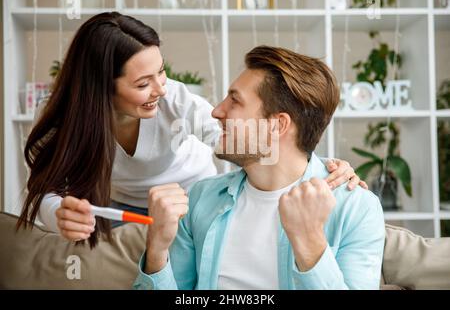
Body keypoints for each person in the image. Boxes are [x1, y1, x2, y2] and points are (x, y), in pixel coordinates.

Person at [17, 12, 365, 248]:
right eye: (142, 83)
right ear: (99, 88)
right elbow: (48, 191)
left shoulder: (175, 102)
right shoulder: (60, 124)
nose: (161, 89)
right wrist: (58, 214)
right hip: (118, 209)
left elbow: (246, 138)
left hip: (189, 198)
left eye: (161, 72)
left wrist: (318, 168)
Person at [133, 46, 385, 290]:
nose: (217, 111)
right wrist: (156, 250)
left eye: (235, 101)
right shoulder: (201, 198)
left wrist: (310, 242)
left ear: (277, 125)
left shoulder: (356, 208)